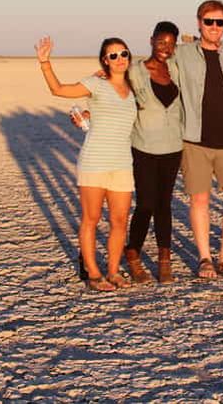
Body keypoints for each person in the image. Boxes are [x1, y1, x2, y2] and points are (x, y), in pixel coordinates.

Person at [36, 36, 136, 291]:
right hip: (95, 161)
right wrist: (45, 63)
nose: (119, 59)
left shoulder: (134, 87)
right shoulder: (96, 83)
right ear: (105, 60)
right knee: (91, 218)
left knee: (120, 220)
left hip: (122, 163)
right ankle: (93, 273)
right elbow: (58, 90)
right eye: (113, 55)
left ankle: (113, 271)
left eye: (123, 53)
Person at [174, 0, 223, 279]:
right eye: (209, 22)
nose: (214, 27)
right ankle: (205, 258)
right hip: (195, 139)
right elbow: (154, 70)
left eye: (220, 22)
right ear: (198, 22)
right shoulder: (182, 54)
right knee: (200, 200)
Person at [122, 21, 184, 284]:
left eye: (170, 43)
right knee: (146, 203)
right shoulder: (135, 71)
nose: (165, 48)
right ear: (151, 40)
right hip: (144, 146)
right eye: (161, 42)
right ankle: (133, 254)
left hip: (173, 146)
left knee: (164, 204)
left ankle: (164, 259)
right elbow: (117, 92)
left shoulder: (176, 69)